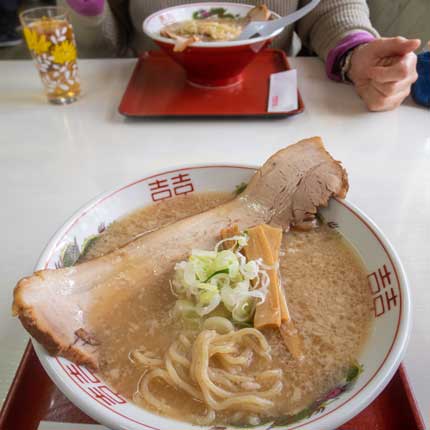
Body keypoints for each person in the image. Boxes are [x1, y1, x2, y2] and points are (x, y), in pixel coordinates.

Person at [59, 0, 420, 112]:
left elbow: (329, 7)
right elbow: (100, 49)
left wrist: (356, 50)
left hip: (268, 103)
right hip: (143, 103)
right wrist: (86, 11)